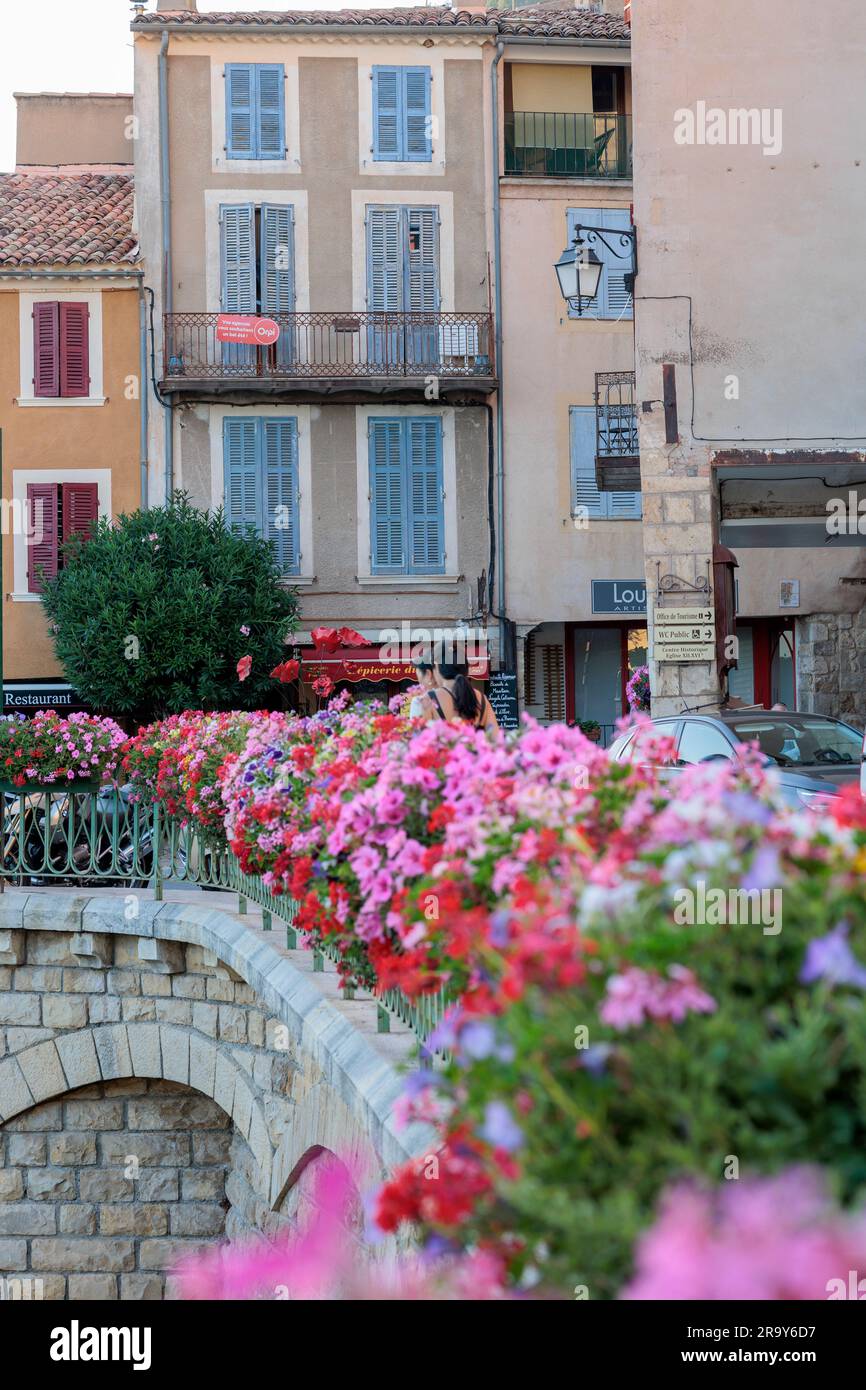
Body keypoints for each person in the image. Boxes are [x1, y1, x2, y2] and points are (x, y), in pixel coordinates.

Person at [423, 655, 498, 730]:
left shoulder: (429, 699)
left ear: (437, 666)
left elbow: (420, 738)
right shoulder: (482, 698)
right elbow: (496, 738)